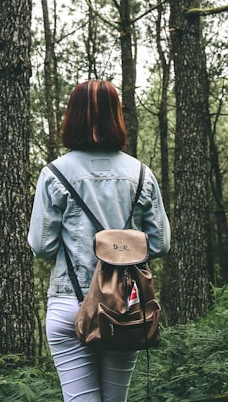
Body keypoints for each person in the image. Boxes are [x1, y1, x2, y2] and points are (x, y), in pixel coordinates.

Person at [28, 79, 171, 402]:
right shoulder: (141, 174)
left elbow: (42, 246)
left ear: (72, 116)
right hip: (125, 307)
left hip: (70, 302)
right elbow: (160, 243)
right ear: (115, 116)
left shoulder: (54, 174)